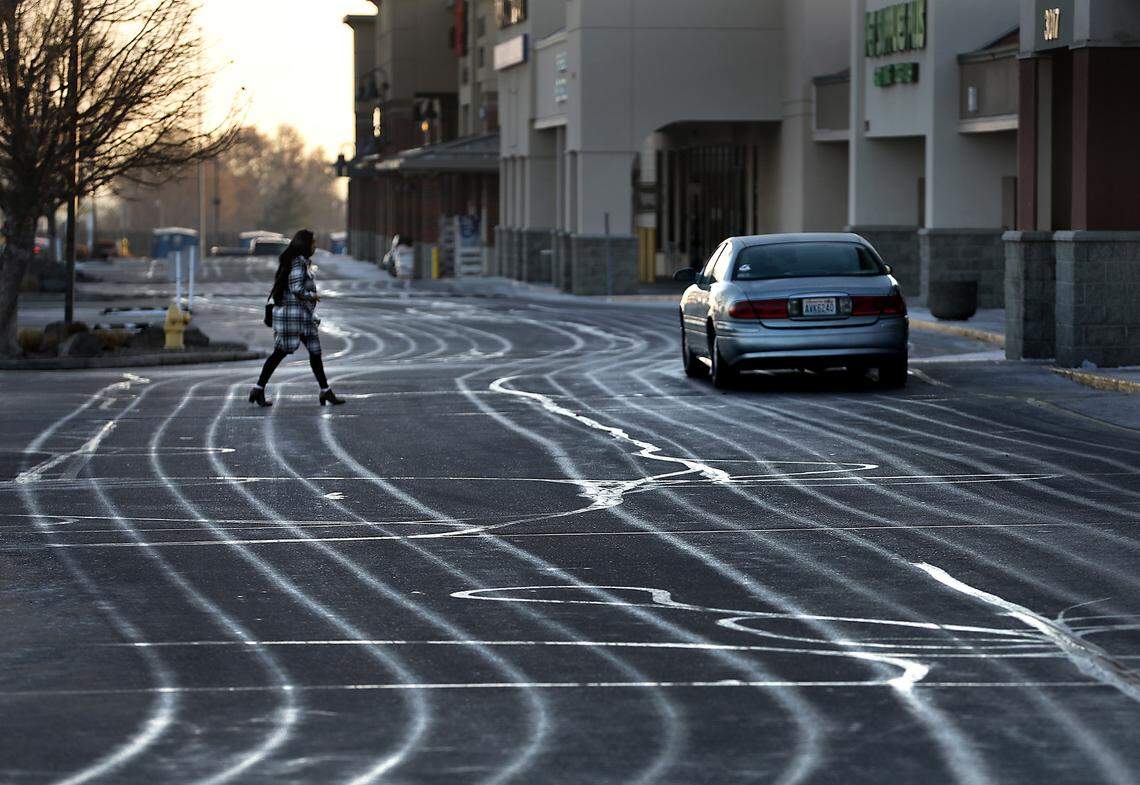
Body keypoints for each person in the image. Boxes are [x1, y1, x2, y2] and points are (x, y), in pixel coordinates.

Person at [249, 229, 345, 407]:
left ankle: (325, 391)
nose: (315, 246)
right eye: (313, 243)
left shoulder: (296, 261)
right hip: (294, 317)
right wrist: (312, 296)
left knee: (314, 353)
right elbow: (296, 288)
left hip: (300, 317)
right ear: (305, 245)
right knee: (282, 353)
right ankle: (258, 389)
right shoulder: (298, 263)